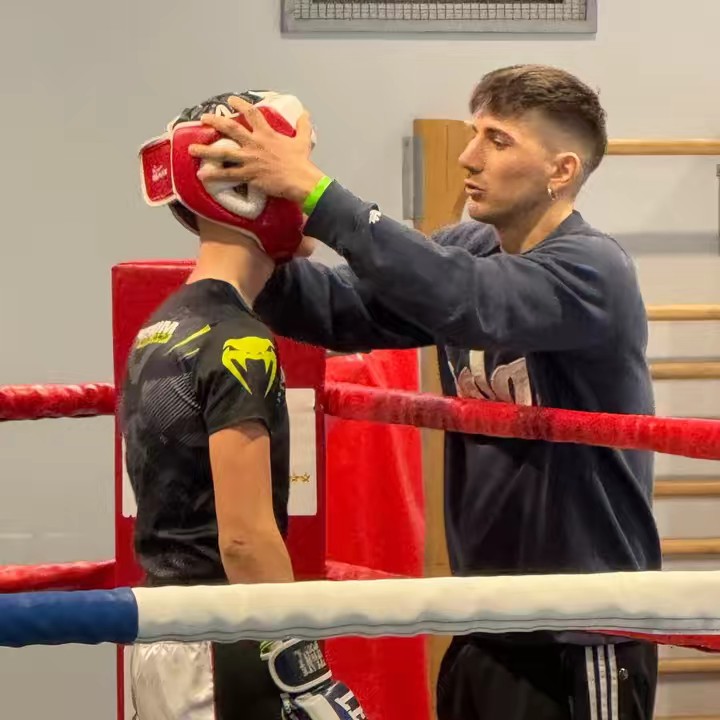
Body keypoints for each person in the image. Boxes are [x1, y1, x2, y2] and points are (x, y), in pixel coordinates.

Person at [189, 65, 662, 720]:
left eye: (498, 140)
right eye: (474, 133)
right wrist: (235, 216)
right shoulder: (468, 248)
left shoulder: (593, 270)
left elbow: (469, 300)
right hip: (482, 621)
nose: (470, 156)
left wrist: (315, 190)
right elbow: (339, 310)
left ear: (561, 171)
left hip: (581, 632)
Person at [121, 91, 367, 720]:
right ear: (248, 193)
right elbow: (244, 536)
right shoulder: (239, 341)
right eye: (290, 167)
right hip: (223, 636)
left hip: (164, 631)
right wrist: (301, 663)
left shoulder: (162, 325)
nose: (306, 188)